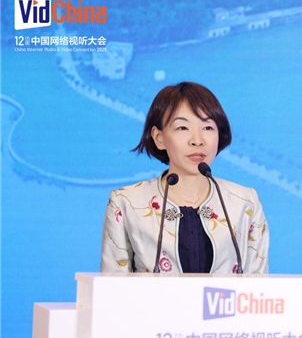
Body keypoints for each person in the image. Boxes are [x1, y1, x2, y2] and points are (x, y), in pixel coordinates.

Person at [100, 82, 269, 274]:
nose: (197, 140)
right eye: (182, 128)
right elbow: (111, 285)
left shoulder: (245, 202)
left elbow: (258, 284)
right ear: (159, 137)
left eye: (208, 127)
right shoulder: (127, 202)